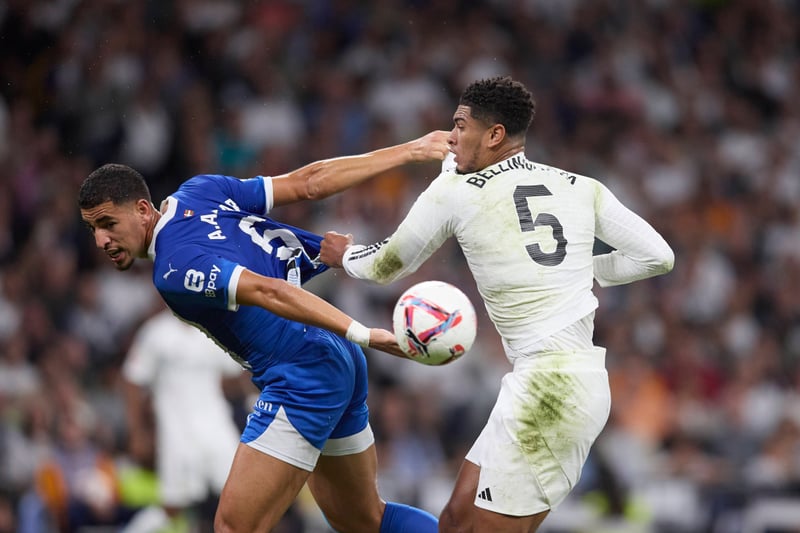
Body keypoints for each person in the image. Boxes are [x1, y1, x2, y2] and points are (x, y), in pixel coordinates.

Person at [319, 76, 675, 532]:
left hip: (552, 391)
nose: (450, 137)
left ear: (494, 135)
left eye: (460, 125)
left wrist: (344, 256)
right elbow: (658, 256)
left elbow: (388, 264)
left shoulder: (457, 190)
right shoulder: (581, 186)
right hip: (549, 381)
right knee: (454, 520)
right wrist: (582, 270)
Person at [78, 130, 450, 533]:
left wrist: (364, 333)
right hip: (333, 354)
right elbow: (308, 183)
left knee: (233, 527)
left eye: (108, 224)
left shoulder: (172, 269)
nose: (100, 240)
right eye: (92, 229)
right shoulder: (201, 190)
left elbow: (268, 291)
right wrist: (411, 150)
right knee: (363, 519)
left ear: (142, 209)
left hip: (301, 374)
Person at [121, 307, 248, 533]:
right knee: (173, 506)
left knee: (241, 495)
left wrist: (253, 396)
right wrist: (137, 433)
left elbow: (234, 373)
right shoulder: (156, 332)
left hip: (216, 426)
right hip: (177, 432)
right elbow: (133, 379)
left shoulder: (213, 327)